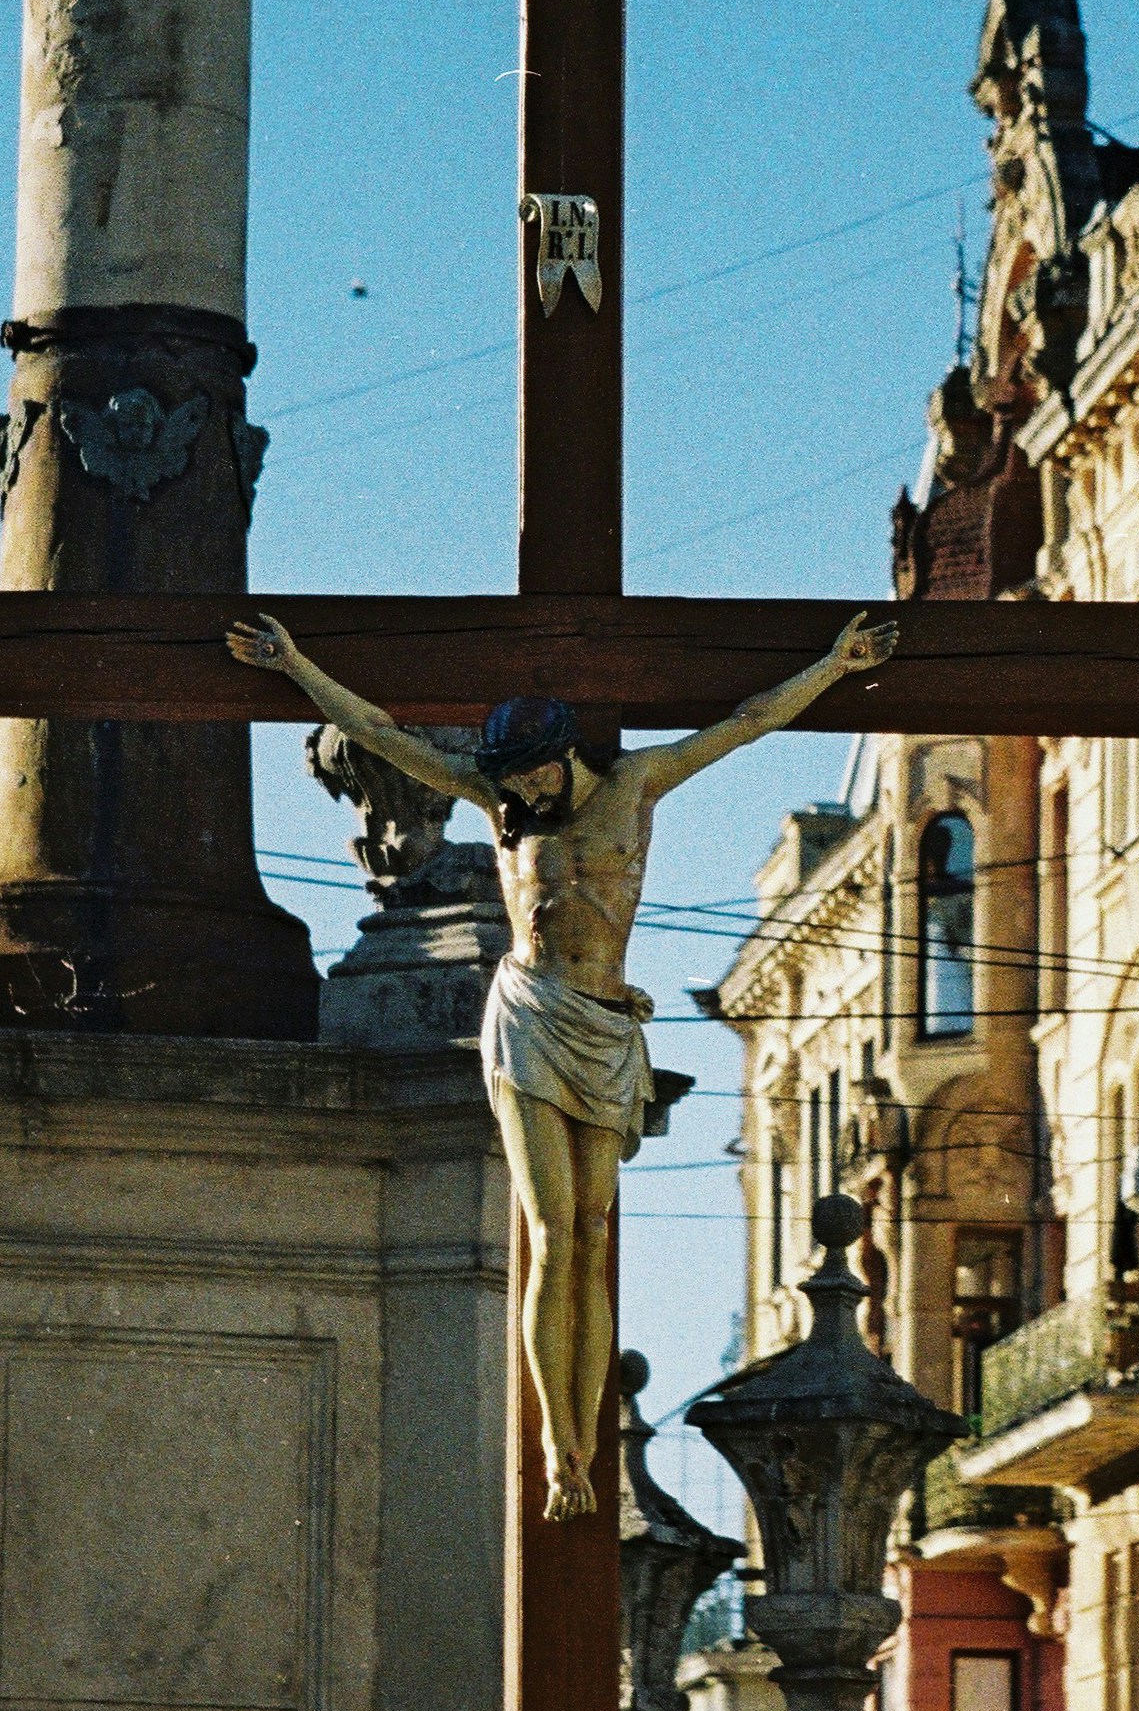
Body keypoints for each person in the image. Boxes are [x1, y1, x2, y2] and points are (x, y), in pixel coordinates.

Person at [224, 607, 896, 1515]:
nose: (518, 790)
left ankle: (582, 1437)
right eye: (505, 778)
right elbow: (380, 733)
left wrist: (834, 665)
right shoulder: (503, 807)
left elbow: (746, 722)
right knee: (548, 1233)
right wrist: (296, 667)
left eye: (528, 771)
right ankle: (561, 1451)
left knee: (590, 1237)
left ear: (562, 752)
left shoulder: (637, 786)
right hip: (532, 1015)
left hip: (606, 1023)